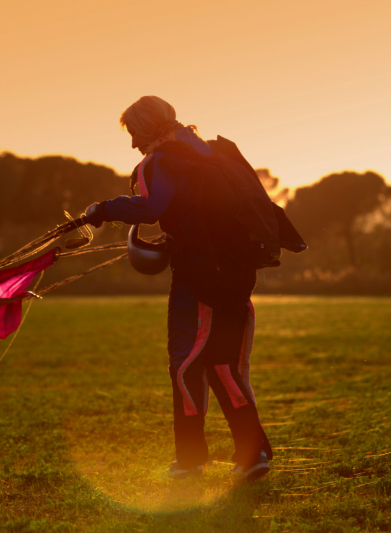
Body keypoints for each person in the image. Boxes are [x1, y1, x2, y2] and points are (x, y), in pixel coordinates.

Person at [83, 96, 272, 481]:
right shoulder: (206, 153)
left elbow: (151, 208)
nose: (133, 143)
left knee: (186, 366)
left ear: (149, 128)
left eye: (134, 132)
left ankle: (190, 460)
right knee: (224, 366)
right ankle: (254, 455)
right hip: (235, 276)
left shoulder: (159, 161)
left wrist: (103, 209)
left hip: (199, 280)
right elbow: (196, 213)